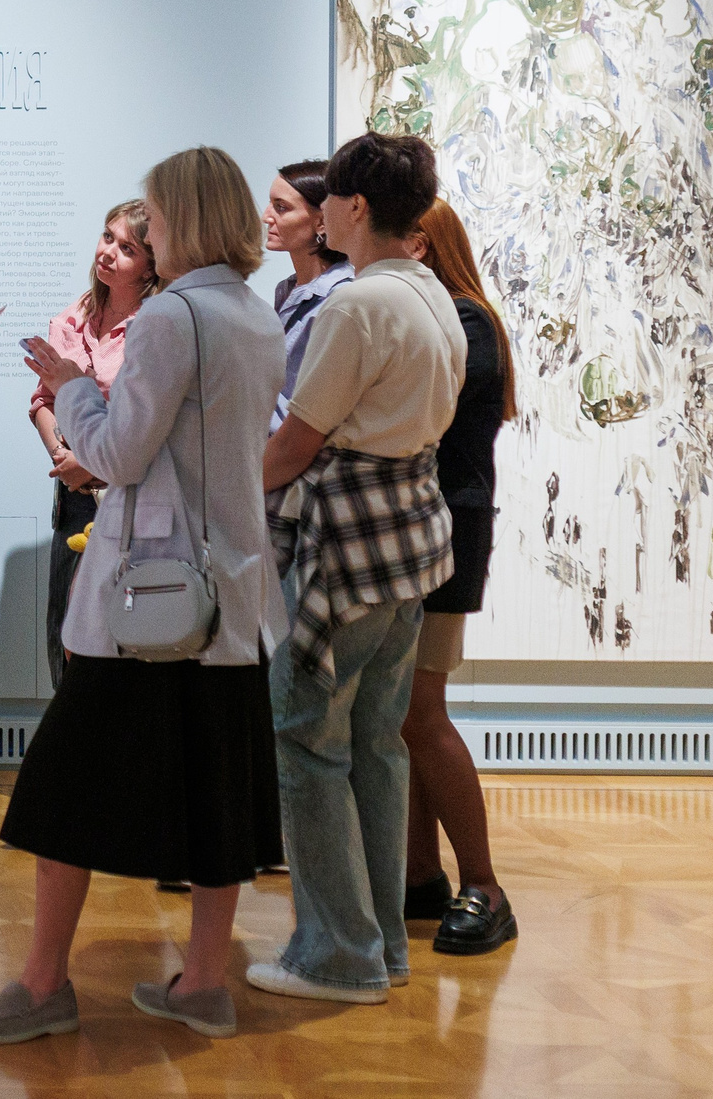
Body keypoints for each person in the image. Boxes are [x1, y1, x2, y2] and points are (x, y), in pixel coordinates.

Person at [0, 147, 285, 1045]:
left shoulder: (173, 317)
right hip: (230, 598)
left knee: (63, 784)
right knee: (218, 793)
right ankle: (204, 983)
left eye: (153, 215)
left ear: (181, 217)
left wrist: (72, 387)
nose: (145, 230)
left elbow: (117, 454)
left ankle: (43, 980)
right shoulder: (256, 314)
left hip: (150, 600)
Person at [251, 133, 465, 1005]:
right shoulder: (435, 296)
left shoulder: (356, 305)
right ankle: (378, 945)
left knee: (307, 738)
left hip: (348, 546)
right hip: (411, 542)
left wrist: (231, 481)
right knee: (376, 744)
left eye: (329, 197)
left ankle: (337, 953)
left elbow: (298, 441)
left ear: (355, 209)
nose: (321, 209)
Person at [399, 199, 521, 957]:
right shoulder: (452, 318)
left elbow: (419, 409)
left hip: (449, 530)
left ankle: (486, 885)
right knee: (406, 714)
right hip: (432, 527)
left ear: (423, 242)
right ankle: (420, 873)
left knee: (420, 711)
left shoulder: (466, 322)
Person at [29, 200, 157, 695]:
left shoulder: (155, 323)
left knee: (122, 633)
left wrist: (89, 459)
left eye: (127, 248)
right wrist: (62, 457)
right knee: (65, 624)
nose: (109, 253)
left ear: (151, 264)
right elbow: (42, 399)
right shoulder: (74, 315)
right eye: (107, 237)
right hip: (75, 492)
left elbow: (145, 417)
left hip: (129, 496)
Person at [265, 159, 354, 430]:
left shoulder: (339, 298)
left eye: (281, 207)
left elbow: (313, 416)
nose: (266, 215)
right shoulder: (287, 289)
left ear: (321, 221)